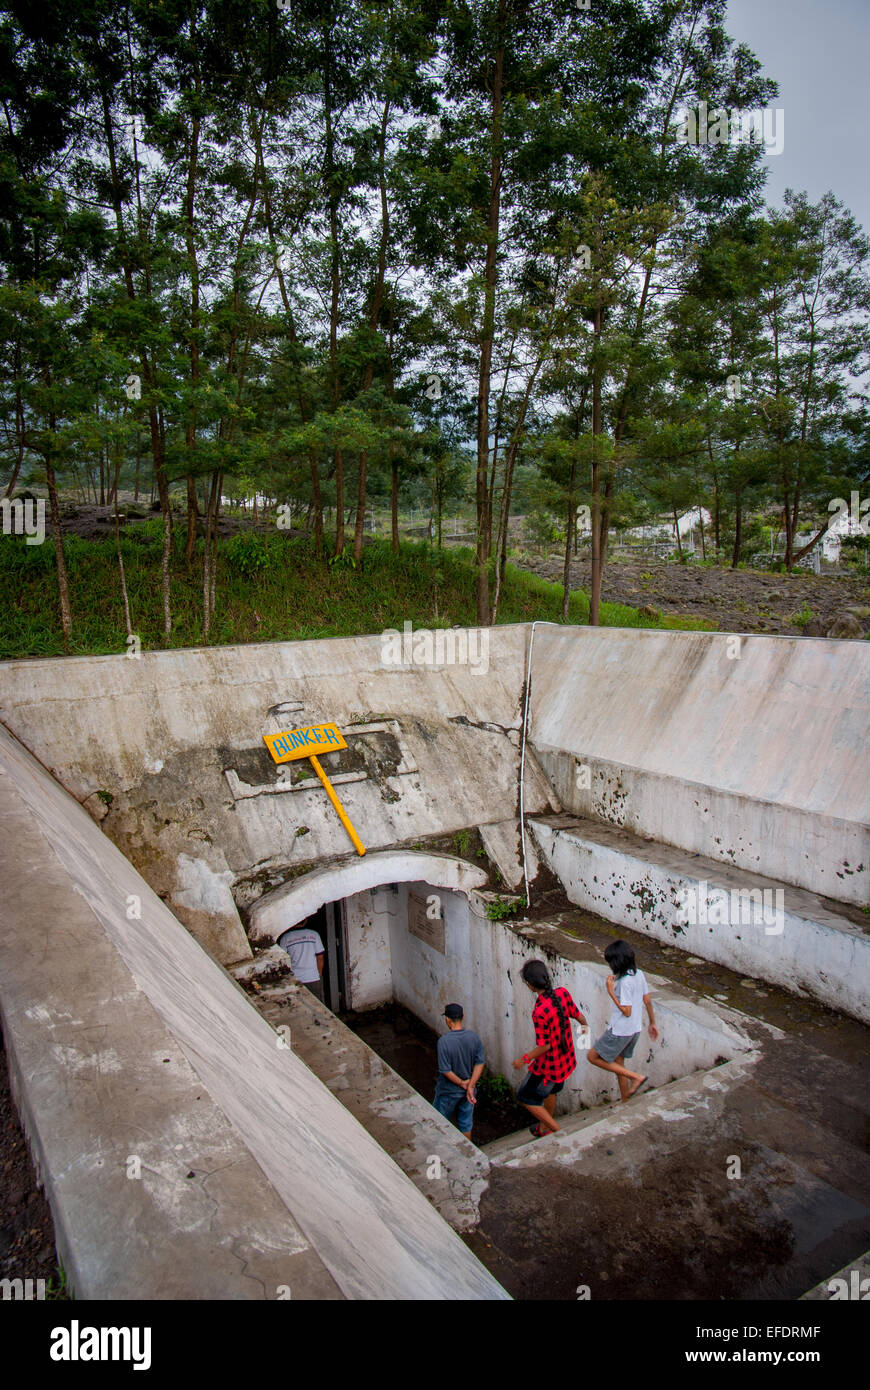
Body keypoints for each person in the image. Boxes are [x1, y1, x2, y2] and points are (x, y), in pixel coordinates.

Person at [512, 960, 587, 1138]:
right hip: (565, 1059)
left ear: (530, 985)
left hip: (549, 1066)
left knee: (525, 1097)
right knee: (551, 1092)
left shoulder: (540, 1011)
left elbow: (545, 1045)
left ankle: (557, 1131)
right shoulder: (562, 993)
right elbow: (579, 1016)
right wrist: (585, 1031)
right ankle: (544, 1128)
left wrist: (524, 1059)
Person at [587, 939, 658, 1101]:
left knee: (592, 1057)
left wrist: (611, 992)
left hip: (620, 1030)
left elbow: (626, 1011)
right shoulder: (638, 974)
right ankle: (625, 1099)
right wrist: (653, 1023)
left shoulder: (624, 983)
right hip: (635, 1029)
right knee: (619, 1065)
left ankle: (635, 1077)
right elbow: (647, 1000)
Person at [433, 1004, 485, 1140]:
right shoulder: (474, 1037)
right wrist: (471, 1086)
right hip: (469, 1092)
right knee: (466, 1124)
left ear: (448, 1020)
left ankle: (441, 1153)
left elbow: (445, 1070)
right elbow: (480, 1063)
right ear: (463, 1017)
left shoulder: (444, 1042)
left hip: (448, 1091)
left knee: (438, 1122)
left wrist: (462, 1083)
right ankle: (468, 1154)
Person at [277, 920, 325, 1002]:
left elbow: (282, 961)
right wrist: (319, 975)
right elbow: (320, 958)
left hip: (296, 979)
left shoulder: (285, 938)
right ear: (306, 920)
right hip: (313, 978)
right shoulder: (314, 935)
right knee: (318, 1008)